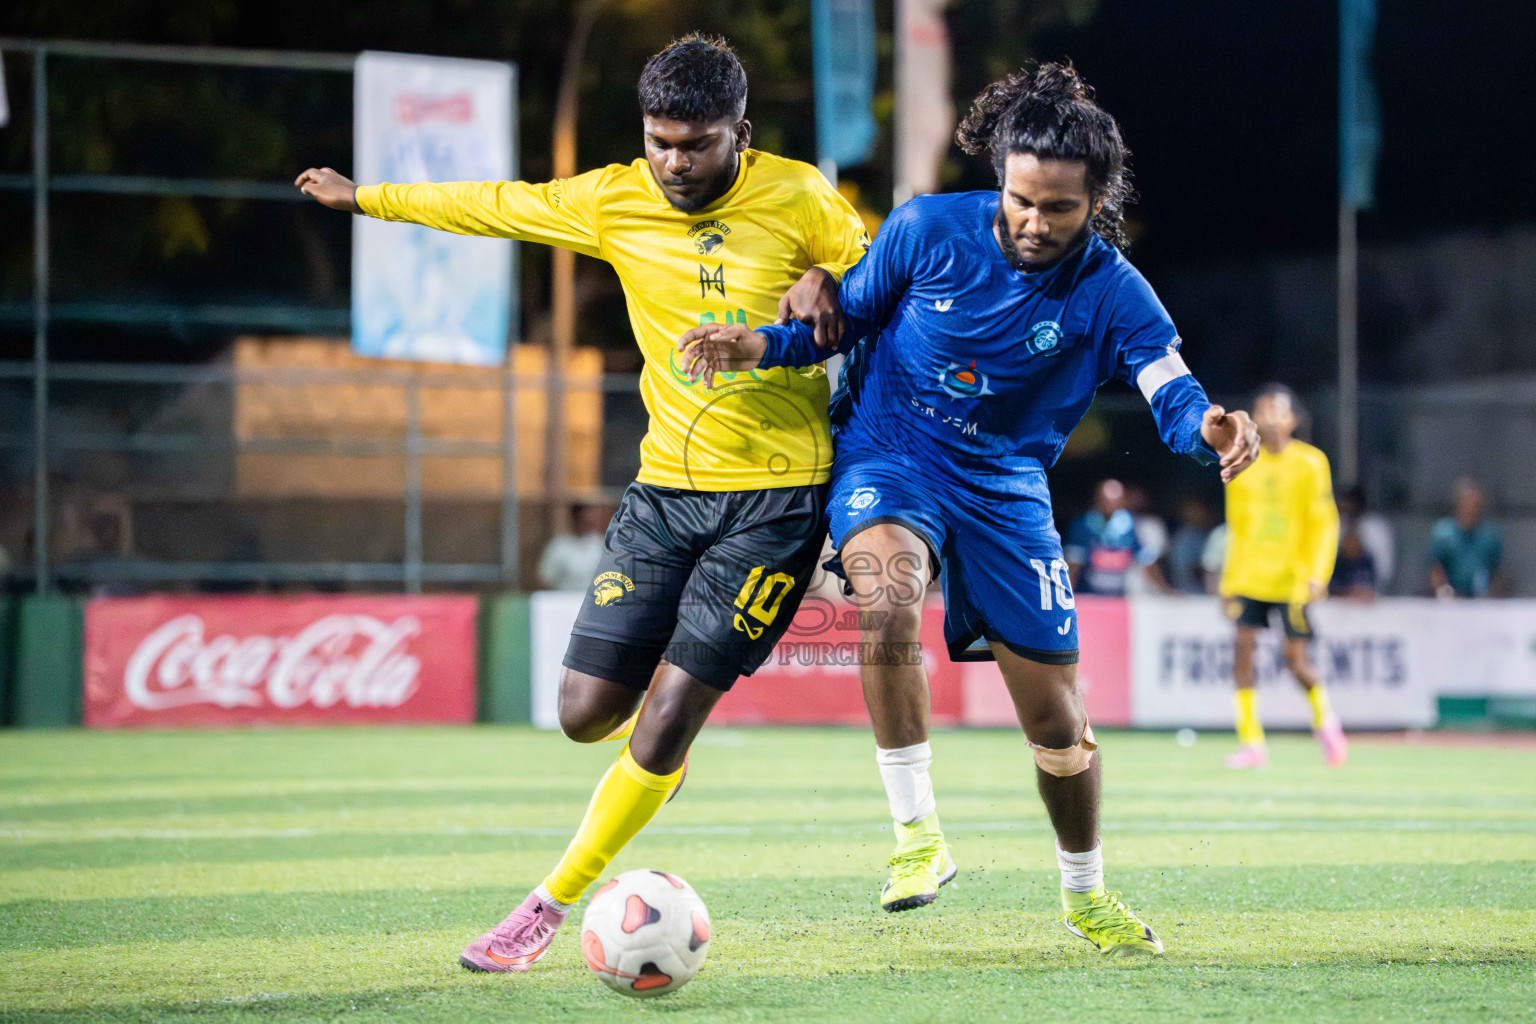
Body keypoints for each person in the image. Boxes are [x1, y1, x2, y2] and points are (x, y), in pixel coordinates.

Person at [298, 34, 871, 973]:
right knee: (583, 714)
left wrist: (836, 278)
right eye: (660, 141)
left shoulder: (801, 195)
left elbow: (897, 279)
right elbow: (495, 205)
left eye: (698, 143)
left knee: (671, 708)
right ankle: (659, 755)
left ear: (741, 135)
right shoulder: (613, 197)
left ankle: (545, 907)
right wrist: (364, 196)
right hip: (663, 495)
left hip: (777, 502)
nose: (675, 162)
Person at [678, 62, 1259, 955]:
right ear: (1001, 178)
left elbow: (1170, 390)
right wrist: (759, 344)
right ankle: (917, 839)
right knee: (886, 590)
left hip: (1005, 487)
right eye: (1021, 199)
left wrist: (1211, 428)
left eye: (1058, 209)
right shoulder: (924, 229)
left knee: (1059, 728)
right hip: (891, 452)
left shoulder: (1115, 291)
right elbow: (842, 323)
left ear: (1094, 203)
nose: (1033, 221)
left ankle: (1085, 894)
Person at [1219, 384, 1345, 770]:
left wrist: (1317, 574)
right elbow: (1236, 526)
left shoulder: (1310, 462)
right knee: (1243, 654)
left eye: (1276, 410)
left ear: (1292, 419)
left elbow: (1324, 523)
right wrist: (1228, 582)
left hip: (1292, 579)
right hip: (1250, 577)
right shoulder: (1241, 461)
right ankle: (1252, 741)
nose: (1268, 417)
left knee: (1296, 662)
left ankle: (1326, 724)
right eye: (1262, 409)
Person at [1064, 479, 1158, 596]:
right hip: (1088, 594)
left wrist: (1164, 590)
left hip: (1118, 595)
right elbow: (1073, 564)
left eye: (1114, 500)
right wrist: (1066, 592)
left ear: (1122, 501)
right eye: (1105, 500)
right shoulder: (1082, 525)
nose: (1109, 505)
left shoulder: (1129, 525)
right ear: (1097, 499)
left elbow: (1145, 559)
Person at [1429, 476, 1504, 598]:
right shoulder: (1444, 531)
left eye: (1475, 503)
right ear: (1458, 502)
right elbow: (1435, 567)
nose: (1471, 507)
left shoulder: (1489, 535)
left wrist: (1491, 595)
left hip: (1481, 599)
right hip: (1450, 598)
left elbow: (1496, 570)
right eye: (1467, 502)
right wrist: (1443, 591)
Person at [537, 504, 610, 592]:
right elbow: (544, 580)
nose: (588, 524)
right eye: (584, 521)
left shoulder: (601, 545)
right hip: (565, 601)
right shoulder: (559, 546)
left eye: (591, 521)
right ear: (575, 518)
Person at [1336, 485, 1394, 592]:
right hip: (1339, 588)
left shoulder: (1375, 528)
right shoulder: (1336, 526)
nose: (1346, 513)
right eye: (1343, 509)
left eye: (1349, 508)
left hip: (1370, 588)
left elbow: (1384, 569)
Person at [1167, 496, 1218, 595]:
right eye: (1194, 510)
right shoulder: (1185, 537)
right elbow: (1194, 569)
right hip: (1190, 593)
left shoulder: (1207, 532)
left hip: (1205, 593)